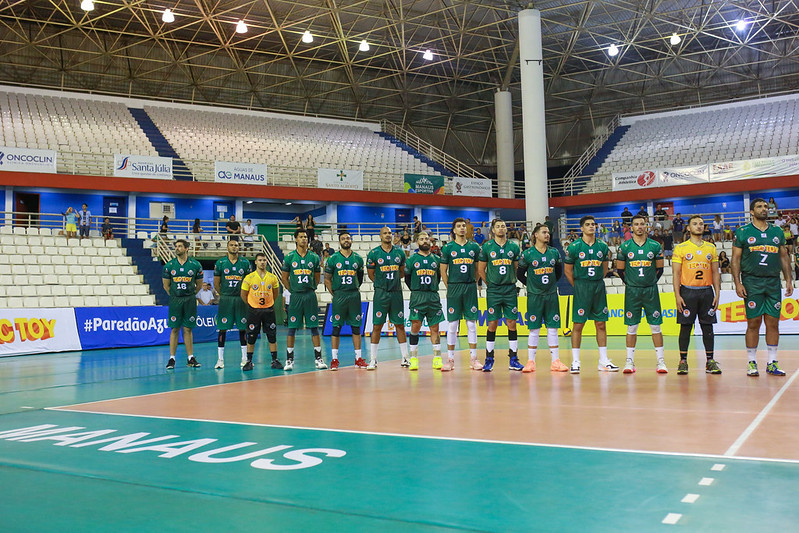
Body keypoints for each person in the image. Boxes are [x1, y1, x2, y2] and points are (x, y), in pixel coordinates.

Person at [732, 198, 794, 376]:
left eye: (766, 206)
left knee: (773, 323)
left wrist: (788, 280)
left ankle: (772, 362)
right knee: (754, 322)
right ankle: (751, 362)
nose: (764, 209)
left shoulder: (776, 231)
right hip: (752, 282)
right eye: (759, 206)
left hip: (773, 282)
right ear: (752, 212)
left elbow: (783, 257)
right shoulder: (743, 232)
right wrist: (738, 282)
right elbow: (735, 259)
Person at [564, 216, 617, 374]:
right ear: (582, 228)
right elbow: (568, 271)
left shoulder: (602, 246)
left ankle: (603, 361)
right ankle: (575, 361)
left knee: (601, 324)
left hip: (598, 287)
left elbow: (605, 268)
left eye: (593, 224)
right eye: (587, 225)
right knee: (578, 325)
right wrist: (578, 286)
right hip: (582, 286)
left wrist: (595, 282)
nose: (591, 227)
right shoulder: (574, 247)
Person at [616, 214, 666, 374]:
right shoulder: (624, 247)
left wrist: (649, 282)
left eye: (642, 224)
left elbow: (660, 269)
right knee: (632, 327)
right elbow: (620, 270)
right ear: (631, 227)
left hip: (650, 290)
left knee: (655, 326)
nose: (639, 227)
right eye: (636, 224)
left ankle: (661, 362)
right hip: (632, 291)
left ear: (646, 226)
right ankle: (629, 361)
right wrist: (631, 283)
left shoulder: (655, 246)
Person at [672, 215, 722, 375]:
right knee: (685, 327)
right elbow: (676, 274)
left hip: (706, 291)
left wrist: (717, 293)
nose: (699, 226)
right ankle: (683, 361)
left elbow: (715, 273)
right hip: (687, 291)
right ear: (688, 228)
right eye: (695, 224)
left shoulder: (711, 248)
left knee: (708, 327)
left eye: (701, 224)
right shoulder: (681, 248)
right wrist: (677, 295)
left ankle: (710, 361)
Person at [517, 223, 566, 373]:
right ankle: (531, 361)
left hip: (551, 295)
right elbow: (520, 274)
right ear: (535, 235)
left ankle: (555, 361)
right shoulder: (528, 254)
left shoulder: (554, 253)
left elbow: (558, 273)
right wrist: (531, 285)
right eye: (544, 232)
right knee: (534, 329)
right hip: (534, 296)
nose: (547, 235)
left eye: (548, 233)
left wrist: (550, 286)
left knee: (553, 328)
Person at [477, 218, 522, 372]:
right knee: (492, 324)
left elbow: (516, 268)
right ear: (493, 230)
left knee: (512, 323)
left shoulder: (514, 247)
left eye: (503, 226)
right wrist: (490, 284)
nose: (501, 229)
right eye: (498, 227)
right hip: (494, 291)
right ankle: (489, 358)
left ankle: (514, 358)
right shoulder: (487, 247)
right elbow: (481, 269)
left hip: (509, 289)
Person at [440, 217, 482, 371]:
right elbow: (443, 270)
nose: (462, 228)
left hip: (469, 287)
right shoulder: (448, 248)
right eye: (459, 226)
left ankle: (473, 358)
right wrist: (449, 286)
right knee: (452, 325)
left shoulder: (475, 247)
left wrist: (474, 282)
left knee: (471, 324)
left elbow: (478, 269)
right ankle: (450, 359)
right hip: (454, 288)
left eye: (464, 226)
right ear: (454, 230)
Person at [281, 228, 325, 371]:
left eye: (305, 237)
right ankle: (289, 360)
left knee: (314, 328)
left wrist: (312, 287)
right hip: (296, 296)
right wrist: (292, 290)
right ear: (295, 239)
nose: (304, 239)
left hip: (309, 295)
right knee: (292, 329)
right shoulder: (289, 257)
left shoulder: (314, 257)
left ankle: (318, 358)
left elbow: (317, 277)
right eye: (301, 237)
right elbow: (284, 278)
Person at [366, 226, 408, 370]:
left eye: (390, 233)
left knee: (400, 325)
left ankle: (405, 357)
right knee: (377, 326)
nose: (388, 235)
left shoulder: (399, 253)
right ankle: (373, 359)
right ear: (380, 236)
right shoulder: (374, 253)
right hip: (381, 293)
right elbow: (371, 274)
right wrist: (381, 284)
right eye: (385, 233)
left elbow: (402, 272)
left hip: (396, 292)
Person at [325, 231, 367, 370]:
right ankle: (334, 360)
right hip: (340, 296)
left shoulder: (358, 258)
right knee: (336, 328)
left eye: (348, 238)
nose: (346, 240)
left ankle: (358, 358)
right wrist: (335, 294)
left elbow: (360, 278)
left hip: (354, 295)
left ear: (351, 240)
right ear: (339, 242)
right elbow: (327, 278)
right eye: (343, 238)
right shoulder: (333, 258)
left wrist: (354, 288)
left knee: (356, 327)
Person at [405, 232, 445, 371]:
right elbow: (408, 279)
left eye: (427, 239)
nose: (425, 241)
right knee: (415, 326)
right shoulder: (411, 259)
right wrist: (416, 290)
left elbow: (439, 277)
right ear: (417, 243)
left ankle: (437, 358)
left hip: (432, 296)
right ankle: (414, 358)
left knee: (435, 328)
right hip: (418, 296)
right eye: (422, 239)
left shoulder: (437, 259)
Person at [162, 239, 203, 369]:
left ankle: (190, 357)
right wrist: (176, 295)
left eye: (180, 246)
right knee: (174, 329)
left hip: (190, 300)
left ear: (186, 248)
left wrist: (189, 294)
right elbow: (166, 286)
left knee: (188, 329)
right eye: (176, 246)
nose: (177, 248)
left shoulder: (195, 265)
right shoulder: (169, 266)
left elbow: (199, 284)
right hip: (175, 300)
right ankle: (172, 359)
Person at [213, 239, 251, 369]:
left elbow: (249, 282)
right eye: (232, 245)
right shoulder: (221, 263)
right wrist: (223, 295)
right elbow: (216, 283)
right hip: (226, 299)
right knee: (222, 328)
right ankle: (220, 359)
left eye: (236, 245)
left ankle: (244, 358)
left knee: (242, 327)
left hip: (240, 299)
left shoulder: (245, 263)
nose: (234, 247)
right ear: (227, 247)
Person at [240, 253, 281, 371]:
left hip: (269, 310)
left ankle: (275, 360)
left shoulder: (272, 277)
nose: (262, 262)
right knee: (251, 335)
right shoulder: (249, 277)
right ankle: (249, 361)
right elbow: (243, 294)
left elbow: (276, 293)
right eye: (260, 260)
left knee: (272, 335)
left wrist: (270, 303)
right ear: (256, 262)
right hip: (254, 311)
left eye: (264, 260)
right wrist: (251, 304)